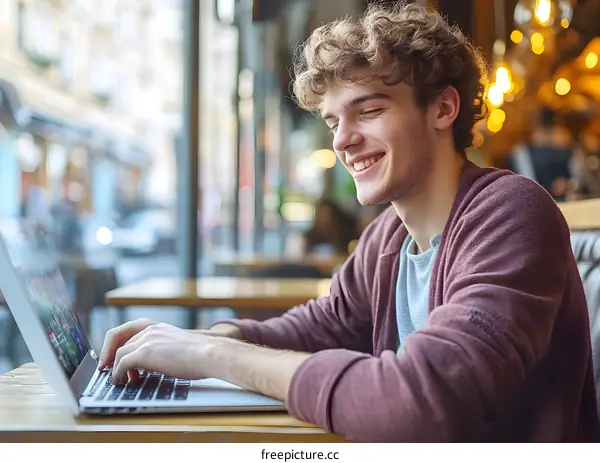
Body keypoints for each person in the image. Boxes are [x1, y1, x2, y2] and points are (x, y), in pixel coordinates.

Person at [99, 2, 600, 442]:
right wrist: (198, 340)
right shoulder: (388, 237)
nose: (341, 141)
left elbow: (424, 404)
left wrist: (211, 359)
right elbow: (321, 325)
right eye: (334, 121)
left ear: (443, 108)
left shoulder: (511, 213)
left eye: (370, 110)